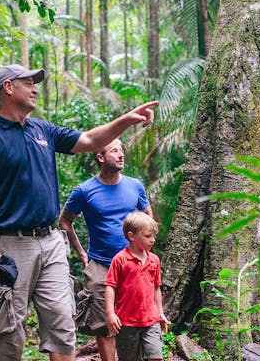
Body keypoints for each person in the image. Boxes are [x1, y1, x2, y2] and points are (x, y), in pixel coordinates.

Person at [0, 63, 157, 361]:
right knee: (11, 330)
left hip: (52, 241)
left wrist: (127, 120)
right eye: (28, 83)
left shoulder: (43, 130)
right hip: (12, 244)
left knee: (62, 326)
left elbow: (91, 140)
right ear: (8, 87)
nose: (35, 88)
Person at [59, 138, 152, 361]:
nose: (121, 155)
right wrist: (82, 254)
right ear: (100, 158)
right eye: (114, 151)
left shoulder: (134, 186)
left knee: (137, 321)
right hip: (100, 265)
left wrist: (146, 250)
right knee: (103, 325)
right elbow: (65, 221)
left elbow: (148, 216)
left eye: (121, 150)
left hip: (133, 264)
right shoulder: (84, 190)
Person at [104, 211, 169, 361]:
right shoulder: (120, 260)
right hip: (126, 321)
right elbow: (110, 287)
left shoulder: (154, 260)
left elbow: (156, 287)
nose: (152, 240)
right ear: (131, 236)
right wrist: (110, 314)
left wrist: (160, 313)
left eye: (154, 236)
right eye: (147, 236)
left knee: (155, 357)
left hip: (150, 320)